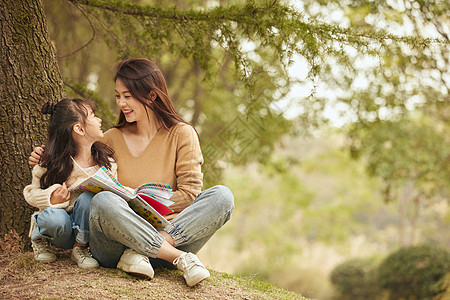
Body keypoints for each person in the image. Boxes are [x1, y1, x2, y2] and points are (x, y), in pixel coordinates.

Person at [29, 58, 234, 287]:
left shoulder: (182, 134)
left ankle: (148, 250)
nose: (121, 103)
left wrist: (143, 205)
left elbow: (189, 194)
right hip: (116, 246)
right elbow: (73, 156)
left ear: (152, 95)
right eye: (118, 96)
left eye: (128, 96)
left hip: (171, 237)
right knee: (104, 199)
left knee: (222, 196)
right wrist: (43, 155)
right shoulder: (109, 138)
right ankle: (170, 256)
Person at [24, 98, 117, 269]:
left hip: (86, 228)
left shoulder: (106, 163)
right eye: (93, 116)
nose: (99, 120)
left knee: (88, 199)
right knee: (54, 218)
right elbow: (31, 193)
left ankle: (79, 249)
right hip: (60, 226)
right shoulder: (51, 160)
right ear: (79, 128)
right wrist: (51, 197)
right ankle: (39, 237)